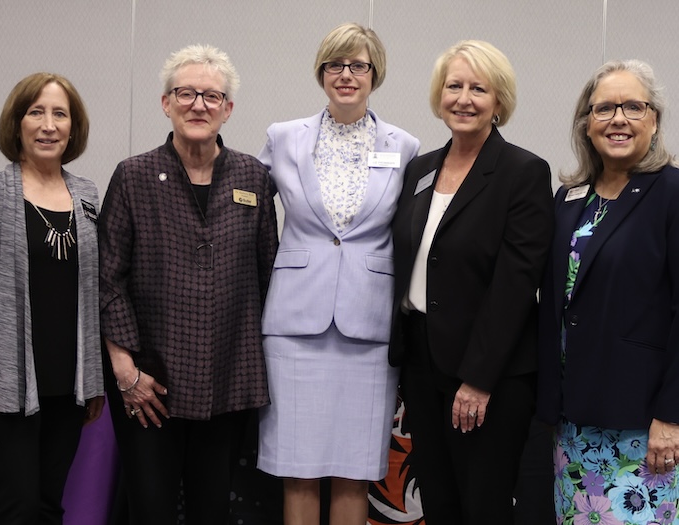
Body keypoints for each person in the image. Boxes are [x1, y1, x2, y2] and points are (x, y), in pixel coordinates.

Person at [98, 44, 278, 524]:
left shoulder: (253, 178)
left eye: (212, 96)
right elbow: (108, 278)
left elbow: (268, 274)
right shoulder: (133, 177)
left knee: (211, 511)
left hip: (227, 380)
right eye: (186, 94)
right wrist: (124, 370)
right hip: (147, 382)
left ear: (228, 109)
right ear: (166, 103)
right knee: (151, 510)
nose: (199, 105)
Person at [256, 22, 420, 525]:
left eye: (358, 65)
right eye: (335, 64)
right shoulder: (283, 137)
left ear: (376, 74)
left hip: (367, 325)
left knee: (354, 470)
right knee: (297, 468)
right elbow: (254, 221)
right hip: (293, 324)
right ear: (321, 71)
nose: (346, 75)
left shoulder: (406, 146)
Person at [389, 40, 554, 525]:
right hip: (421, 362)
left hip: (488, 372)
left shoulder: (523, 172)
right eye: (453, 86)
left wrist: (478, 379)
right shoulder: (421, 170)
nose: (463, 98)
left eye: (478, 88)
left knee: (482, 505)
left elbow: (515, 283)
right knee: (438, 503)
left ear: (499, 101)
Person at [537, 59, 679, 524]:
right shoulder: (570, 198)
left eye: (633, 107)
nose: (618, 119)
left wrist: (671, 417)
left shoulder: (672, 192)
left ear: (654, 119)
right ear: (586, 124)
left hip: (642, 423)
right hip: (574, 419)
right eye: (604, 109)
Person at [0, 72, 103, 524]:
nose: (48, 125)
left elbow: (92, 289)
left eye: (59, 114)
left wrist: (92, 380)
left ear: (73, 128)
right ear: (17, 124)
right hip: (5, 389)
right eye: (36, 112)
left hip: (67, 389)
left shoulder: (86, 194)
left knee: (49, 506)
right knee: (17, 510)